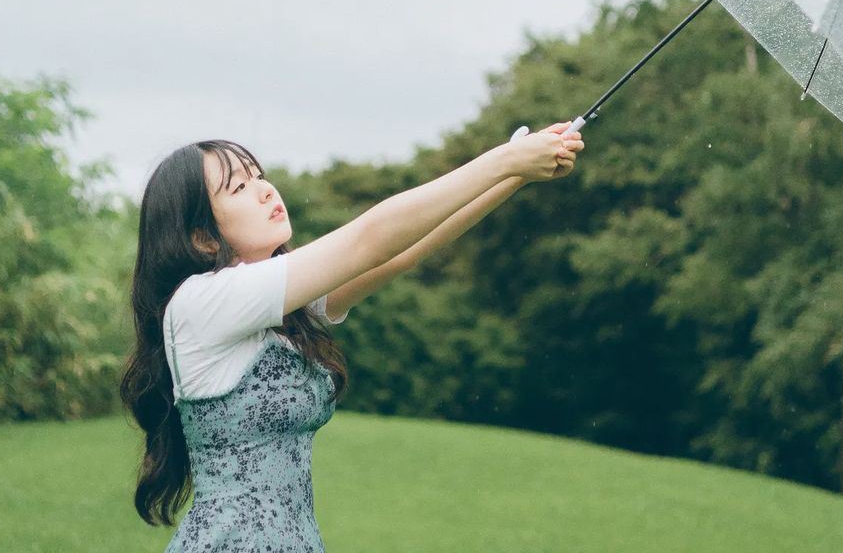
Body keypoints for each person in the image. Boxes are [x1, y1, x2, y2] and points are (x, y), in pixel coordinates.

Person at [119, 121, 585, 551]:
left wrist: (514, 175)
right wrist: (505, 161)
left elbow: (400, 254)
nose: (263, 190)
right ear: (202, 238)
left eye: (258, 175)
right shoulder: (200, 304)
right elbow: (371, 237)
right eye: (239, 187)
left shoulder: (279, 311)